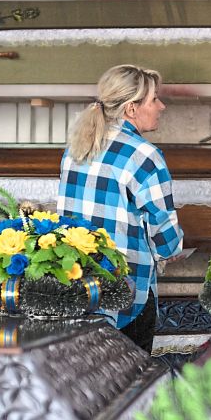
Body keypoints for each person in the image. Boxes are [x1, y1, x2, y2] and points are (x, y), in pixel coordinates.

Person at [58, 64, 183, 354]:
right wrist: (171, 249)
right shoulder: (145, 156)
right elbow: (164, 234)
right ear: (131, 109)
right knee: (132, 386)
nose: (161, 106)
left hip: (79, 287)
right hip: (128, 293)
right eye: (154, 100)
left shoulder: (75, 149)